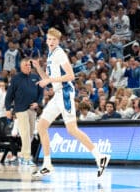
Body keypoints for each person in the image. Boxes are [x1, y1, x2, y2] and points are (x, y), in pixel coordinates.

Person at [31, 27, 110, 177]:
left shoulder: (60, 53)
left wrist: (49, 80)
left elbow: (71, 76)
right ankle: (47, 164)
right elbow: (47, 78)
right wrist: (38, 68)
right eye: (49, 39)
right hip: (58, 94)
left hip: (65, 93)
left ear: (58, 41)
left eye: (54, 40)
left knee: (72, 129)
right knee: (41, 126)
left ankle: (100, 156)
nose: (51, 42)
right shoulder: (50, 54)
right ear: (46, 40)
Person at [5, 58, 43, 166]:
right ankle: (27, 157)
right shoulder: (16, 78)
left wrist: (38, 103)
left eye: (29, 65)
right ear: (21, 67)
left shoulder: (36, 77)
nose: (28, 66)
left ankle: (22, 155)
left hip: (32, 109)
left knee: (30, 134)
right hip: (20, 109)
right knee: (25, 133)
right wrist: (8, 109)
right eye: (26, 65)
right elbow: (9, 95)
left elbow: (41, 92)